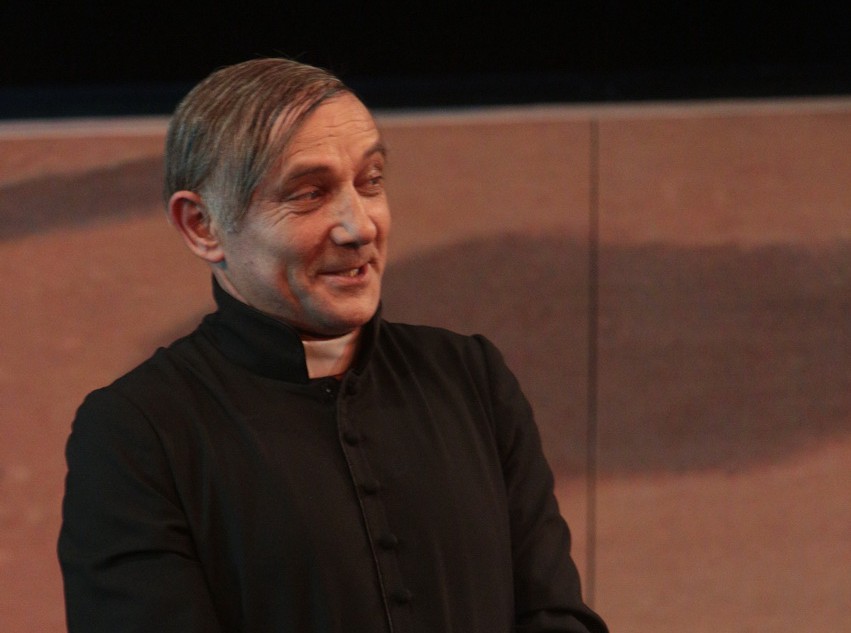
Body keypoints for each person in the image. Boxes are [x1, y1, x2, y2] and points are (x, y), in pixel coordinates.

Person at [58, 58, 608, 633]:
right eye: (308, 194)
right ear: (202, 225)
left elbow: (555, 615)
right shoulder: (138, 430)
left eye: (371, 181)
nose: (360, 226)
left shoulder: (471, 378)